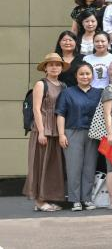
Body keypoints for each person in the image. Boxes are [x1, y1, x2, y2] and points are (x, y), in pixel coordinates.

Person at [57, 61, 102, 211]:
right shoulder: (67, 93)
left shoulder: (99, 93)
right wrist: (61, 134)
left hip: (93, 134)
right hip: (72, 132)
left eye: (88, 73)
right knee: (74, 167)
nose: (85, 76)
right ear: (76, 76)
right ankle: (75, 200)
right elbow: (61, 114)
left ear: (92, 76)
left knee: (90, 166)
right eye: (81, 74)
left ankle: (87, 199)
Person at [26, 54, 67, 212]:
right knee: (40, 165)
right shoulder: (41, 84)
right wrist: (41, 131)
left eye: (57, 64)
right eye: (51, 65)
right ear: (45, 68)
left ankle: (46, 199)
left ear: (61, 68)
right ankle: (39, 201)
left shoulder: (63, 85)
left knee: (51, 167)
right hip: (43, 130)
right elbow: (36, 109)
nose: (54, 67)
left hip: (57, 130)